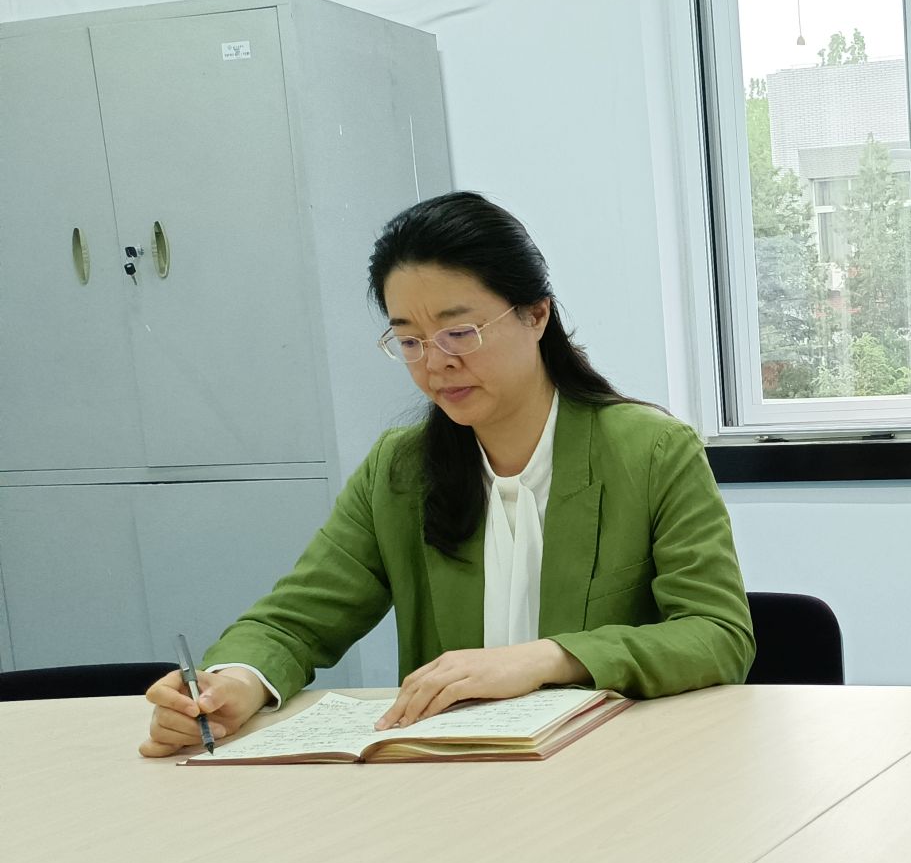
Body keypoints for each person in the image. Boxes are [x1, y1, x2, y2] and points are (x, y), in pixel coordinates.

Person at [140, 192, 754, 756]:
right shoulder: (400, 470)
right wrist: (235, 684)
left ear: (536, 315)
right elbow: (293, 621)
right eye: (409, 341)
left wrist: (551, 658)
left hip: (613, 767)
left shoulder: (651, 451)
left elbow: (718, 634)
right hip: (452, 774)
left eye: (460, 332)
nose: (436, 363)